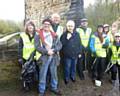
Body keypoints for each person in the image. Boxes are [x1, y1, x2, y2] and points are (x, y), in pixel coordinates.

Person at [34, 19, 62, 96]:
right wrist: (47, 52)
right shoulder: (38, 35)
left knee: (54, 74)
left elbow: (60, 45)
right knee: (42, 75)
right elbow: (37, 47)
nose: (46, 25)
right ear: (42, 25)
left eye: (48, 24)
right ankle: (41, 91)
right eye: (45, 24)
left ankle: (54, 87)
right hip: (43, 58)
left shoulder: (54, 35)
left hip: (53, 57)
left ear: (50, 26)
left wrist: (54, 50)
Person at [60, 20, 82, 84]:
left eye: (71, 26)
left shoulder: (77, 34)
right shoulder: (64, 35)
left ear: (74, 26)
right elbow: (61, 44)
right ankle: (66, 78)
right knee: (67, 67)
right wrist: (67, 39)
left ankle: (73, 76)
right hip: (67, 55)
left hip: (75, 54)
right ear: (67, 26)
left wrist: (80, 52)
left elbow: (79, 44)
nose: (70, 27)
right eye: (69, 26)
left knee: (74, 67)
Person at [18, 20, 37, 91]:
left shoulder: (37, 35)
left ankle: (32, 85)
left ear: (34, 27)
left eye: (32, 25)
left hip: (34, 57)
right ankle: (25, 86)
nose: (30, 27)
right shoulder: (22, 35)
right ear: (26, 27)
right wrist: (19, 57)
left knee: (33, 72)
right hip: (25, 57)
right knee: (25, 72)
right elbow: (20, 47)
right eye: (29, 25)